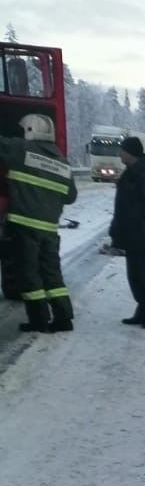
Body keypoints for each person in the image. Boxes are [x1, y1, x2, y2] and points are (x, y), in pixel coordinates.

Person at [0, 113, 77, 332]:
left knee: (29, 274)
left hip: (24, 227)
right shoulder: (63, 163)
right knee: (52, 274)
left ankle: (39, 320)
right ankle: (64, 318)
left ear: (29, 131)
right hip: (50, 231)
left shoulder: (21, 149)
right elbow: (71, 196)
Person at [109, 136, 145, 328]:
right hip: (131, 236)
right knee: (135, 277)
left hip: (143, 236)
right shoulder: (131, 172)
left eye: (122, 150)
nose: (120, 154)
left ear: (130, 153)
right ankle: (143, 311)